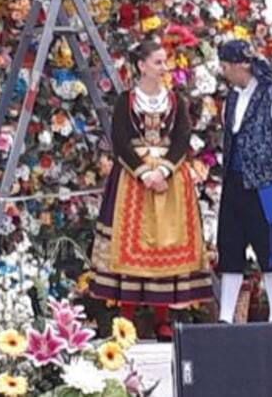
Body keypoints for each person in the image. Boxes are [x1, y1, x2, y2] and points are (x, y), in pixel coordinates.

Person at [88, 39, 212, 340]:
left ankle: (163, 318)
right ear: (141, 66)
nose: (163, 67)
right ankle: (126, 318)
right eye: (157, 62)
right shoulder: (126, 101)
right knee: (130, 246)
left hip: (169, 181)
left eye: (164, 61)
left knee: (166, 245)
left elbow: (182, 138)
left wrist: (165, 169)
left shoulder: (175, 101)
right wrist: (144, 172)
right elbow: (119, 140)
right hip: (133, 180)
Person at [215, 40, 272, 324]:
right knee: (230, 246)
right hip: (234, 182)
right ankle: (226, 316)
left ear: (242, 65)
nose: (224, 71)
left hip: (265, 184)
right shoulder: (231, 99)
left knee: (271, 246)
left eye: (227, 65)